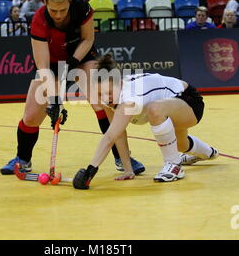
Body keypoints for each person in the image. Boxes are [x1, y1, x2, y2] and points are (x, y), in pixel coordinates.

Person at [0, 0, 144, 175]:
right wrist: (54, 100)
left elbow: (88, 39)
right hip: (50, 65)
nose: (58, 15)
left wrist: (73, 63)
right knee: (32, 116)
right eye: (53, 11)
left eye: (63, 10)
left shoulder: (82, 8)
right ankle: (22, 159)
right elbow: (42, 66)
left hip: (82, 57)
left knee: (102, 102)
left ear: (70, 1)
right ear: (45, 3)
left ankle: (122, 156)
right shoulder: (39, 20)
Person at [72, 54, 219, 189]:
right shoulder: (109, 100)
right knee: (182, 145)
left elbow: (109, 138)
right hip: (172, 106)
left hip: (189, 101)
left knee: (154, 109)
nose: (105, 98)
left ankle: (173, 165)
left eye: (109, 93)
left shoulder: (130, 97)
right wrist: (128, 169)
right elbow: (117, 133)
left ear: (119, 84)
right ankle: (209, 152)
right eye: (100, 94)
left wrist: (90, 171)